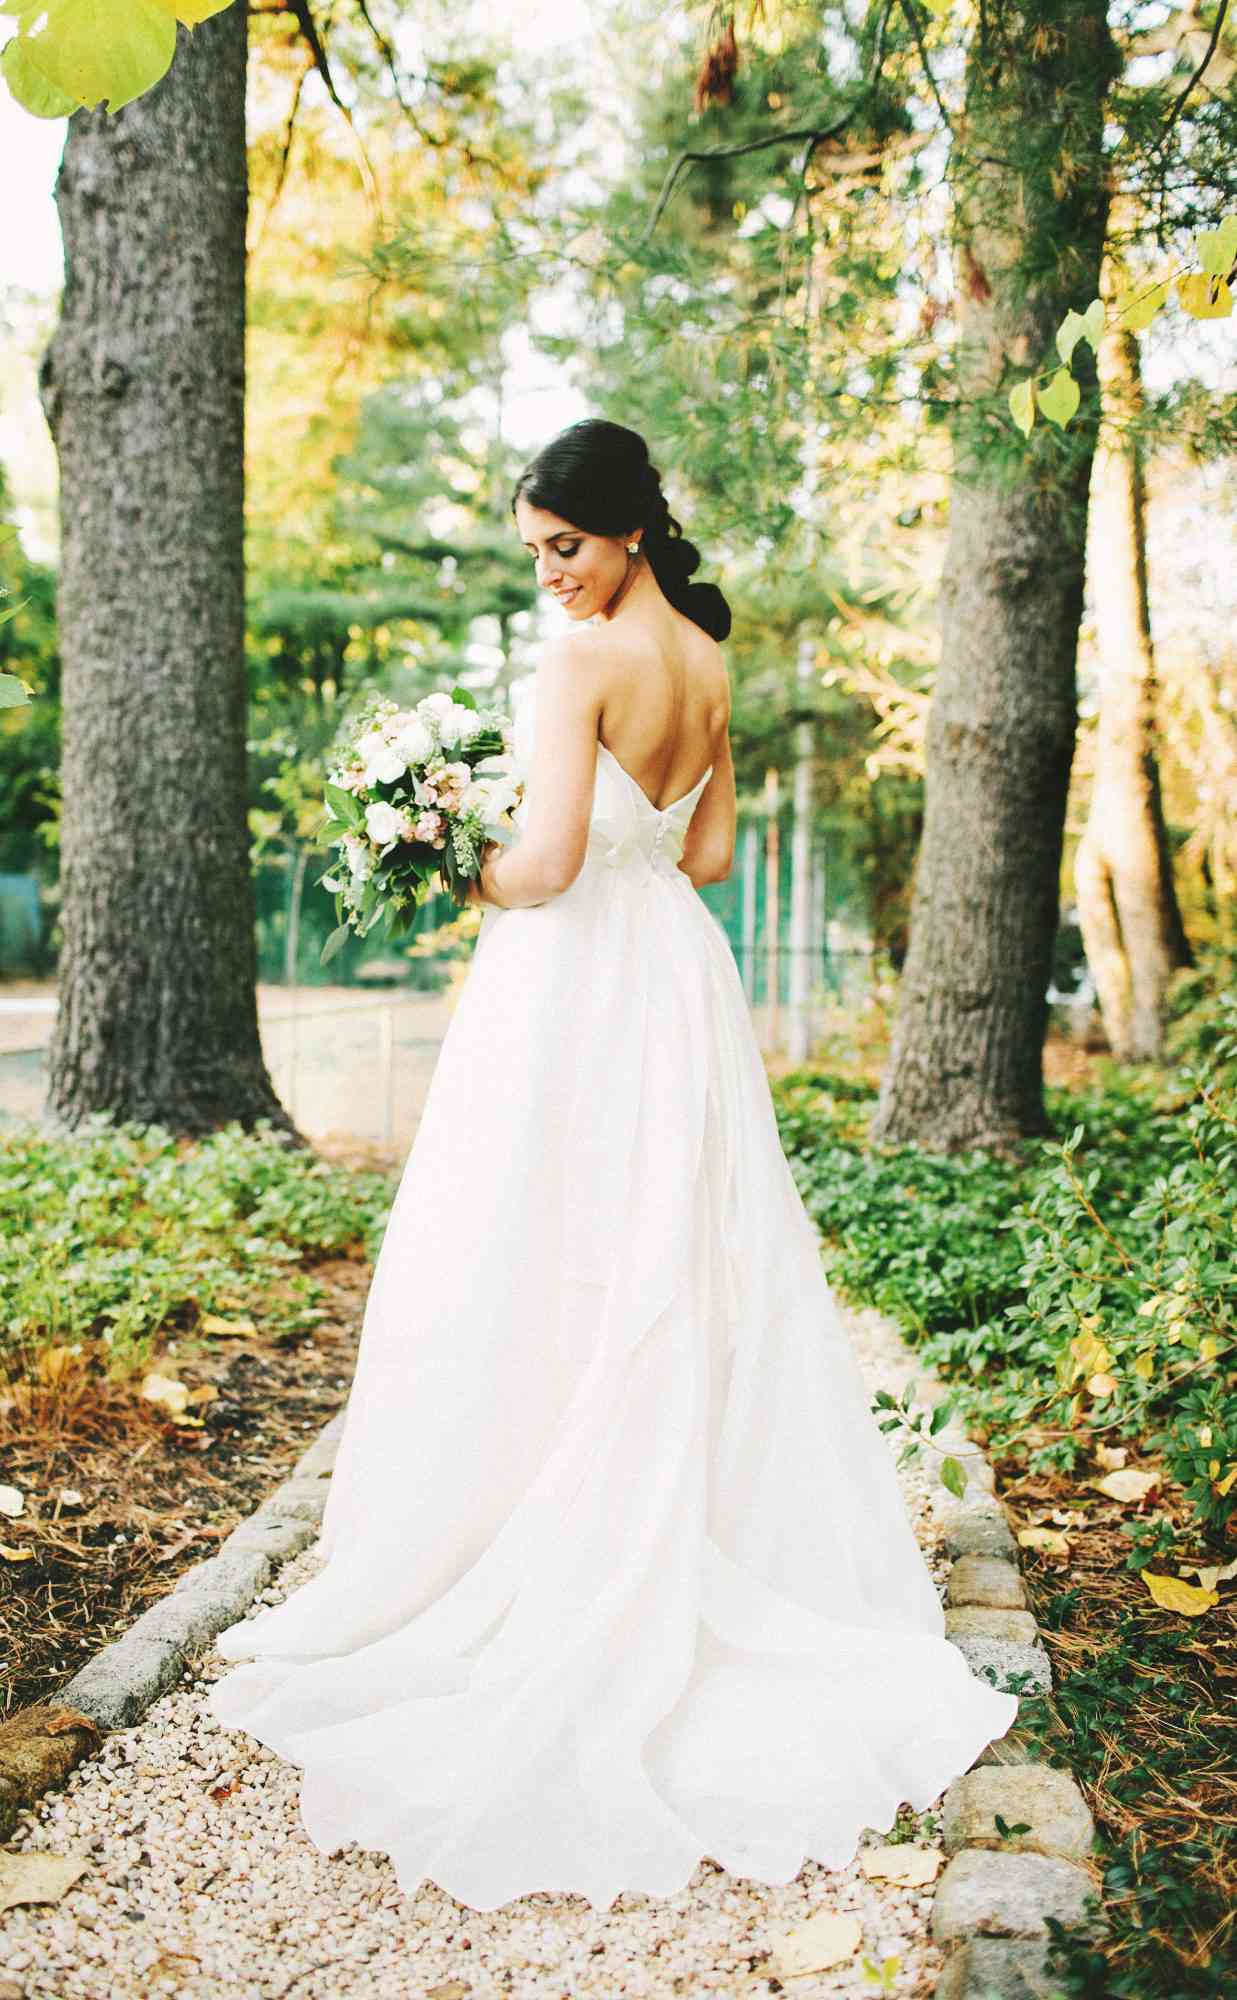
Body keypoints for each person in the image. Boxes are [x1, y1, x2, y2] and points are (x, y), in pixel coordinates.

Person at [205, 417, 1020, 1914]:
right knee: (655, 1242)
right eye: (532, 553)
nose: (550, 578)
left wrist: (448, 846)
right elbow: (704, 861)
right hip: (677, 982)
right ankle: (640, 1499)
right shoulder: (708, 659)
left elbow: (550, 867)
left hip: (570, 978)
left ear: (627, 529)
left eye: (563, 547)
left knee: (527, 1244)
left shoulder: (581, 663)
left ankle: (525, 1525)